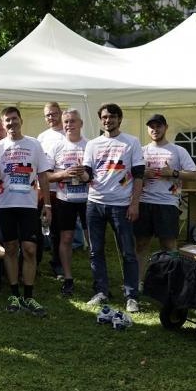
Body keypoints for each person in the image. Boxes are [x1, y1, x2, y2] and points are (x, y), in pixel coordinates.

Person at [0, 106, 51, 317]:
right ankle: (14, 293)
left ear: (20, 120)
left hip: (28, 205)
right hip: (5, 204)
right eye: (7, 121)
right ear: (3, 124)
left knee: (30, 249)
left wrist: (48, 206)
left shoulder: (34, 144)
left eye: (14, 119)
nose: (11, 124)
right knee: (10, 248)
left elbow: (43, 176)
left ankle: (29, 295)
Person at [82, 103, 144, 313]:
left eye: (112, 117)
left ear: (119, 119)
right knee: (95, 251)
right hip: (95, 203)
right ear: (101, 120)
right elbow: (88, 174)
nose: (108, 120)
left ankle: (131, 296)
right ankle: (101, 291)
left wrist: (134, 203)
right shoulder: (92, 144)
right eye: (105, 117)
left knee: (128, 252)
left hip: (121, 205)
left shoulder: (131, 142)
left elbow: (138, 176)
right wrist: (81, 175)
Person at [135, 114, 196, 282]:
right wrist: (142, 173)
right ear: (148, 129)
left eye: (159, 126)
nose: (155, 130)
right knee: (141, 244)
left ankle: (171, 283)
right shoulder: (141, 151)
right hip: (144, 202)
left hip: (167, 203)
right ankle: (138, 282)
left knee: (169, 245)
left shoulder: (178, 150)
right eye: (152, 127)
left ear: (166, 127)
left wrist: (173, 173)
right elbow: (129, 175)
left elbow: (195, 175)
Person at [47, 109, 88, 297]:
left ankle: (98, 278)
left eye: (73, 121)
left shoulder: (90, 145)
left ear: (81, 124)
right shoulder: (57, 146)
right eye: (66, 122)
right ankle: (68, 278)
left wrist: (86, 176)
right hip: (65, 199)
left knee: (94, 240)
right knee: (66, 238)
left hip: (90, 200)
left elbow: (100, 174)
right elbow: (46, 176)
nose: (69, 125)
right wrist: (63, 174)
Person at [37, 102, 66, 277]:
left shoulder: (67, 134)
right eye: (48, 115)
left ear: (60, 114)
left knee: (58, 229)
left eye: (54, 114)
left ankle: (57, 263)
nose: (51, 117)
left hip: (62, 190)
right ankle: (36, 262)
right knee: (38, 226)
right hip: (42, 188)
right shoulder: (42, 137)